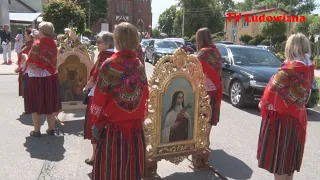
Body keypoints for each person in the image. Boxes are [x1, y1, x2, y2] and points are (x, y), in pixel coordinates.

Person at [91, 22, 149, 180]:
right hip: (135, 129)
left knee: (112, 171)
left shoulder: (109, 65)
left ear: (117, 40)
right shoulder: (139, 65)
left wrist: (96, 121)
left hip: (113, 130)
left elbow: (99, 98)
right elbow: (145, 94)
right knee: (131, 170)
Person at [257, 33, 314, 180]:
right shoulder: (308, 68)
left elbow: (271, 92)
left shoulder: (289, 69)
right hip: (297, 119)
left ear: (290, 47)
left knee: (280, 163)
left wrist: (262, 103)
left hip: (281, 121)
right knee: (288, 164)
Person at [23, 21, 61, 137]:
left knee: (36, 102)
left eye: (39, 29)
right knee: (50, 102)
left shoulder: (37, 44)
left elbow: (33, 64)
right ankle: (51, 129)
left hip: (37, 78)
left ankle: (37, 130)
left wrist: (25, 57)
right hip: (51, 76)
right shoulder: (54, 44)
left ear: (42, 32)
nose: (37, 31)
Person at [82, 31, 114, 166]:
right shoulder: (115, 55)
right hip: (113, 97)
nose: (97, 43)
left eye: (99, 41)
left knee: (96, 124)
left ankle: (95, 157)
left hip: (98, 96)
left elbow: (95, 77)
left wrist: (86, 87)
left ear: (107, 44)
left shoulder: (104, 56)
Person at [196, 28, 222, 127]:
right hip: (215, 89)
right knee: (209, 120)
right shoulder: (216, 51)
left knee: (201, 121)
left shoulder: (203, 53)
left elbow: (195, 70)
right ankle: (207, 141)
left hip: (204, 91)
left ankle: (202, 141)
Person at [14, 28, 34, 98]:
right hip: (23, 70)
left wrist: (18, 68)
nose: (25, 36)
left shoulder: (31, 45)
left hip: (26, 71)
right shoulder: (27, 44)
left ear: (30, 35)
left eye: (26, 34)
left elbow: (27, 59)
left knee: (28, 94)